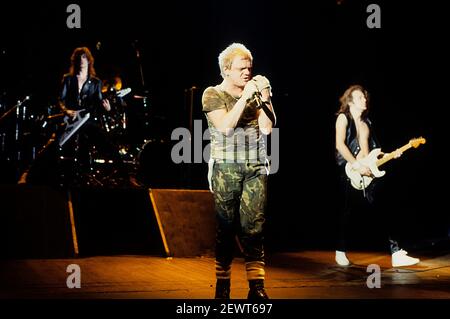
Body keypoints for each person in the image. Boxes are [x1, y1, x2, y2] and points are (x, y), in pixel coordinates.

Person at [202, 43, 276, 299]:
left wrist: (265, 97)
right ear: (226, 70)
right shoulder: (212, 94)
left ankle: (257, 287)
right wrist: (245, 98)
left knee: (254, 227)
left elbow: (267, 128)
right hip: (226, 166)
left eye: (250, 68)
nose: (247, 73)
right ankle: (223, 285)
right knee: (226, 228)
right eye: (241, 68)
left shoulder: (255, 93)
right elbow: (225, 127)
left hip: (256, 165)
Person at [334, 84, 420, 267]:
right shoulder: (343, 118)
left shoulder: (367, 123)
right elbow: (340, 145)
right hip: (349, 172)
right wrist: (356, 166)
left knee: (385, 207)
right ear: (349, 101)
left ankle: (396, 253)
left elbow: (374, 151)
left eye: (365, 97)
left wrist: (390, 155)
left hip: (368, 173)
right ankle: (340, 250)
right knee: (346, 213)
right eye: (359, 97)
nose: (364, 99)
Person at [58, 46, 128, 187]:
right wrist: (66, 111)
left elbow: (99, 104)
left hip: (87, 121)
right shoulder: (68, 79)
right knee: (57, 145)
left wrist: (107, 108)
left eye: (84, 57)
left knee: (106, 143)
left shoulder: (96, 83)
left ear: (89, 61)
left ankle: (125, 175)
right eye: (79, 57)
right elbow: (60, 99)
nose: (81, 60)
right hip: (71, 122)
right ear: (75, 61)